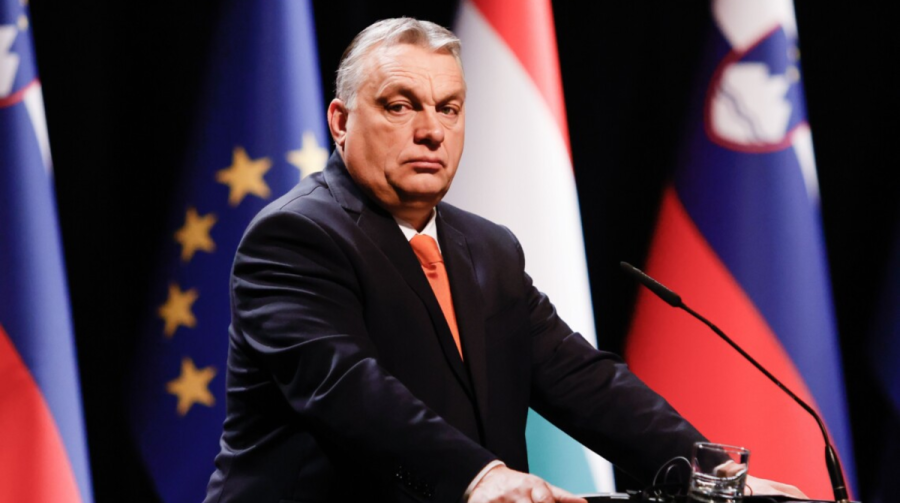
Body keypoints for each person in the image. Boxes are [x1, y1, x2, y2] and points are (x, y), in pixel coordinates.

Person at [204, 18, 804, 503]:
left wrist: (712, 477)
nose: (432, 131)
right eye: (400, 105)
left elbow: (585, 382)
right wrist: (478, 476)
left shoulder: (487, 248)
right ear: (341, 122)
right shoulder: (295, 236)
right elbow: (346, 389)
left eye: (449, 108)